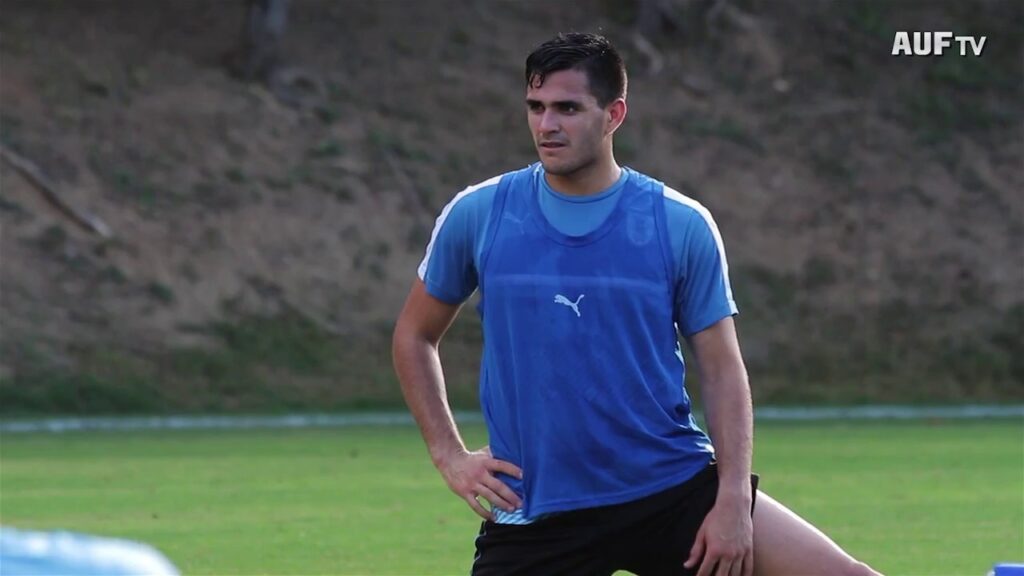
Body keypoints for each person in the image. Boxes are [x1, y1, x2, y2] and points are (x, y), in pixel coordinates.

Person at [392, 32, 882, 576]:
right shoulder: (479, 213)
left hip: (669, 491)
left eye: (568, 108)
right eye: (536, 107)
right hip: (539, 513)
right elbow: (415, 335)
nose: (546, 125)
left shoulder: (678, 223)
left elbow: (721, 369)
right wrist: (449, 455)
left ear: (614, 114)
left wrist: (732, 502)